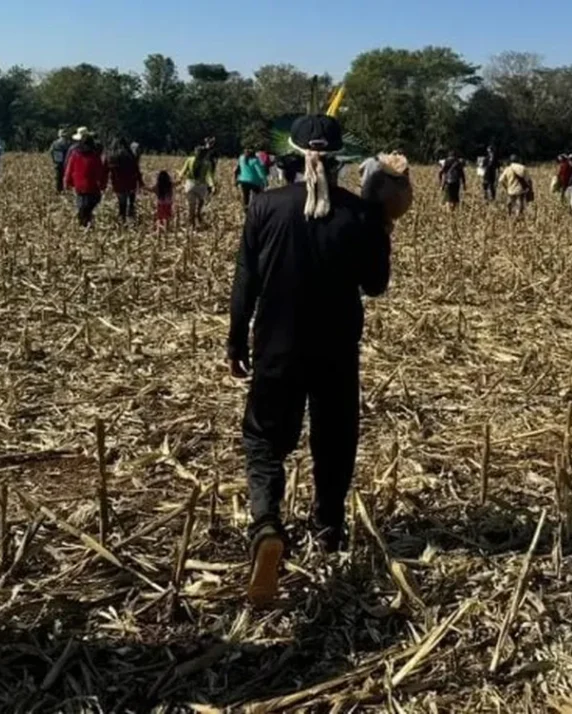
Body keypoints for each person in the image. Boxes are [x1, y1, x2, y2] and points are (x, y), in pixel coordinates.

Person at [227, 114, 400, 605]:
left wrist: (236, 340)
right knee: (335, 437)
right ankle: (328, 529)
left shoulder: (265, 206)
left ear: (293, 156)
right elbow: (376, 286)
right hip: (336, 348)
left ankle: (267, 525)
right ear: (341, 160)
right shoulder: (358, 213)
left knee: (263, 437)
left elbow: (246, 281)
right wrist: (381, 222)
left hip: (277, 348)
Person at [63, 128, 107, 228]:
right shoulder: (94, 156)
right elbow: (100, 172)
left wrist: (67, 182)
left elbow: (69, 169)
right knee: (87, 206)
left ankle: (84, 223)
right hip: (90, 187)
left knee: (82, 206)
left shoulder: (75, 154)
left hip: (80, 186)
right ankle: (86, 223)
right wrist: (102, 184)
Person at [106, 138, 145, 223]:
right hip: (131, 183)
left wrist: (103, 182)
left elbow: (106, 171)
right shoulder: (130, 155)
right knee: (131, 200)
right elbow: (136, 170)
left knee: (122, 202)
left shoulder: (112, 156)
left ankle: (122, 218)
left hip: (118, 184)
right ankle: (130, 215)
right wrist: (140, 182)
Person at [180, 145, 216, 229]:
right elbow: (209, 176)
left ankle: (193, 221)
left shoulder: (191, 160)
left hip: (194, 185)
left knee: (193, 206)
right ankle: (196, 219)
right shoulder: (206, 163)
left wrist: (180, 177)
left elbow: (183, 171)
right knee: (196, 205)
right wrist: (212, 185)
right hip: (198, 186)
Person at [49, 129, 72, 194]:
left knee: (59, 178)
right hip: (67, 163)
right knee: (67, 176)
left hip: (58, 163)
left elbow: (51, 152)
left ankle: (59, 190)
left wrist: (54, 160)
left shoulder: (55, 143)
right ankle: (66, 190)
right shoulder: (68, 143)